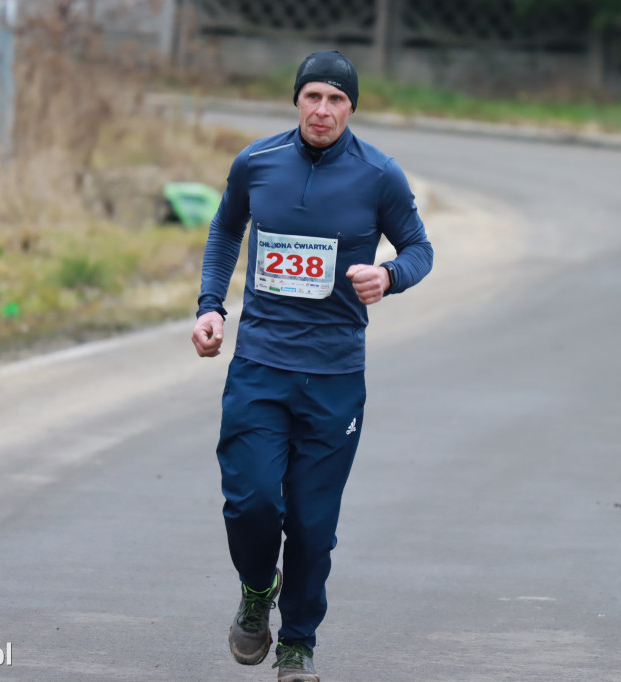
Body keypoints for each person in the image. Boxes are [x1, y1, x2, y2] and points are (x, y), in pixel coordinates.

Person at [191, 49, 433, 682]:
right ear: (296, 100)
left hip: (333, 376)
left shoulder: (379, 175)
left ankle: (298, 643)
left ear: (352, 108)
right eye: (313, 97)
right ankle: (255, 590)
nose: (323, 110)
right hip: (260, 367)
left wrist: (390, 274)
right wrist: (211, 307)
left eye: (337, 100)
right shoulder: (257, 162)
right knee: (250, 503)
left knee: (312, 524)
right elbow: (225, 231)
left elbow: (419, 248)